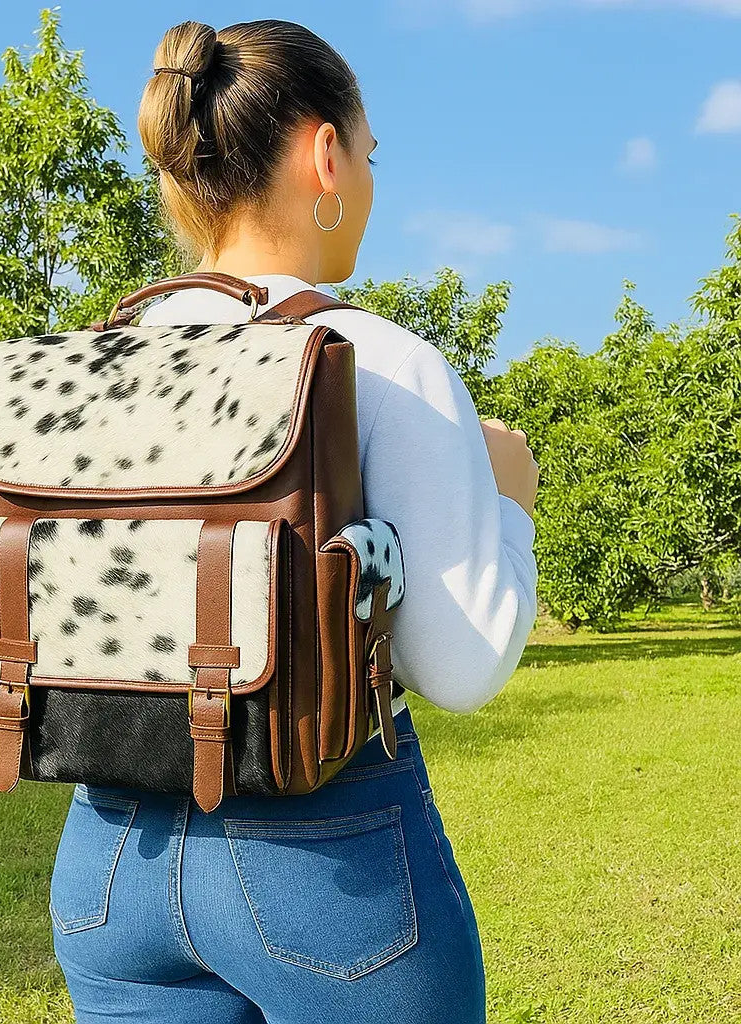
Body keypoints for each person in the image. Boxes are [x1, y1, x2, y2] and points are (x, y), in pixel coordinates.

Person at [49, 19, 539, 1024]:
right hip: (322, 853)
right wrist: (507, 506)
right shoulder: (380, 362)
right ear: (324, 153)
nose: (366, 178)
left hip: (105, 856)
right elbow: (462, 665)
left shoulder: (94, 357)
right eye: (367, 153)